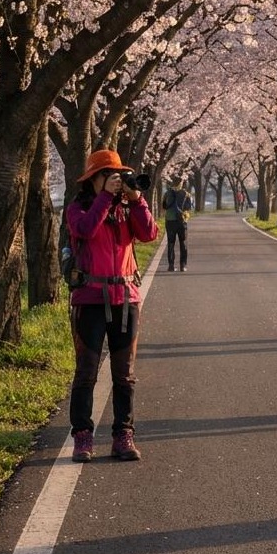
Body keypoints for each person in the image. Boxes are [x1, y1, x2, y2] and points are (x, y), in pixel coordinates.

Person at [65, 148, 158, 462]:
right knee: (86, 373)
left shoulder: (125, 208)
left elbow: (148, 234)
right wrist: (105, 198)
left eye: (117, 175)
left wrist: (136, 200)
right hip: (89, 300)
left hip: (126, 299)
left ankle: (123, 435)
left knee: (124, 374)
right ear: (93, 179)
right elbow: (86, 230)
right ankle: (82, 436)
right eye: (107, 175)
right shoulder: (77, 209)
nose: (114, 181)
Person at [161, 176, 193, 272]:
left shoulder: (167, 193)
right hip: (182, 221)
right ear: (181, 183)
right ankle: (182, 266)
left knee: (171, 243)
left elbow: (164, 206)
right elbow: (189, 208)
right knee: (183, 243)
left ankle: (171, 266)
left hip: (170, 221)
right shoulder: (187, 194)